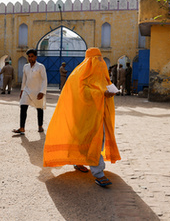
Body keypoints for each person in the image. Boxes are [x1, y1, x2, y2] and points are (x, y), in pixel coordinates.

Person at [43, 47, 121, 187]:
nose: (99, 61)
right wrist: (101, 94)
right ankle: (98, 173)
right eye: (96, 59)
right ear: (90, 60)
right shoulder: (78, 75)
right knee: (87, 139)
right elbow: (81, 92)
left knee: (96, 140)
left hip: (99, 115)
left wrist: (110, 91)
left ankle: (80, 163)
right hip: (83, 116)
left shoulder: (101, 75)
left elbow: (105, 87)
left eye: (100, 58)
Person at [12, 49, 47, 134]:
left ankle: (40, 126)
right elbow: (24, 80)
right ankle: (22, 128)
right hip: (27, 91)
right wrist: (22, 90)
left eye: (32, 56)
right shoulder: (25, 67)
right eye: (29, 56)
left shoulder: (40, 66)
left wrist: (42, 91)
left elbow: (44, 79)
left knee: (39, 109)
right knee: (23, 107)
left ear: (35, 57)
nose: (30, 58)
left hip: (37, 91)